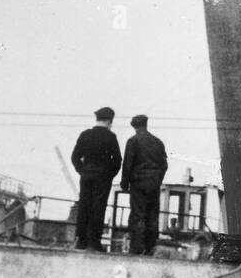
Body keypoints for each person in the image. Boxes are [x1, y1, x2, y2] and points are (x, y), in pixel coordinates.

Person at [71, 107, 121, 251]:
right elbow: (117, 160)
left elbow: (75, 157)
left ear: (97, 119)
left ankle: (80, 240)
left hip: (86, 176)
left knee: (84, 206)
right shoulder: (111, 137)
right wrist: (108, 175)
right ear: (110, 121)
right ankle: (94, 242)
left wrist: (83, 171)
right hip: (102, 178)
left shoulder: (85, 134)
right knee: (98, 208)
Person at [119, 114, 168, 256]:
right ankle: (150, 247)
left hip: (138, 183)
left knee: (138, 215)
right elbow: (164, 165)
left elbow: (127, 164)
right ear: (146, 124)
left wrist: (124, 183)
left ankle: (136, 248)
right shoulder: (158, 142)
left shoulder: (132, 141)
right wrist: (158, 179)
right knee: (152, 215)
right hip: (154, 183)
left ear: (134, 126)